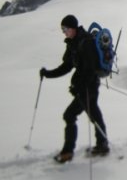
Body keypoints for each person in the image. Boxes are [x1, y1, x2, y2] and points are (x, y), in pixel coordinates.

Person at [40, 15, 109, 163]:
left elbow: (90, 70)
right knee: (94, 114)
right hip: (85, 87)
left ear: (72, 28)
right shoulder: (73, 44)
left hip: (88, 87)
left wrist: (80, 87)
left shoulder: (86, 42)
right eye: (62, 29)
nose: (64, 32)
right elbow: (66, 67)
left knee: (69, 115)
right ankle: (102, 144)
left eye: (65, 29)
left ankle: (67, 152)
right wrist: (48, 74)